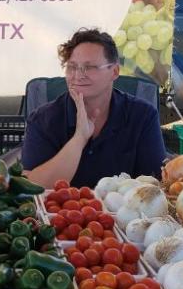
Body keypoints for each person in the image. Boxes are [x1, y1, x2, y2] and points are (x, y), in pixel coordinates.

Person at [21, 29, 166, 188]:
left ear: (115, 71)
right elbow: (33, 187)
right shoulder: (43, 120)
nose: (78, 75)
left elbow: (155, 183)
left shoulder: (143, 116)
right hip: (60, 212)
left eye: (89, 67)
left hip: (124, 210)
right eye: (72, 67)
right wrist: (79, 138)